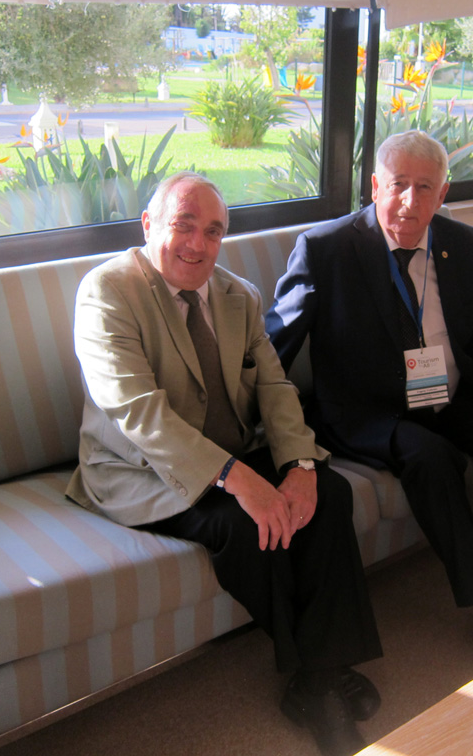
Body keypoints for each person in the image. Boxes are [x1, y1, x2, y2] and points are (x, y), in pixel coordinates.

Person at [66, 171, 382, 756]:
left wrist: (299, 466)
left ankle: (315, 678)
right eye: (183, 225)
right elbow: (137, 412)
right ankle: (321, 677)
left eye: (213, 232)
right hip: (140, 467)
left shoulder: (238, 296)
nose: (198, 244)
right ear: (148, 225)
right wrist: (241, 481)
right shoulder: (108, 291)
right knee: (242, 524)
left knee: (328, 493)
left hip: (231, 446)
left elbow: (275, 387)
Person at [265, 131, 473, 665]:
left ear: (442, 193)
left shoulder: (467, 244)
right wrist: (251, 418)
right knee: (431, 459)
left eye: (425, 187)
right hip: (367, 411)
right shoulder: (325, 249)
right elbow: (274, 347)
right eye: (398, 185)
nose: (409, 201)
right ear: (375, 187)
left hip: (450, 395)